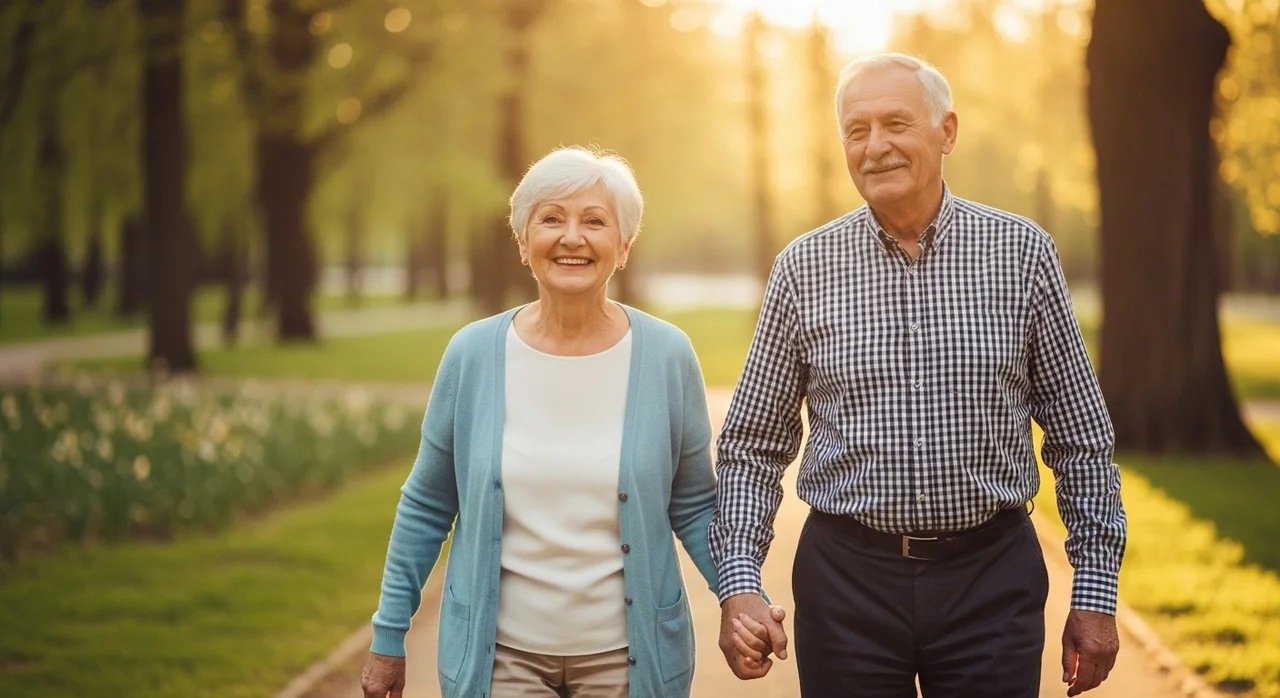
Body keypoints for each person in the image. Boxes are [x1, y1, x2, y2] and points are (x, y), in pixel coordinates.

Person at [710, 53, 1127, 697]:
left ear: (947, 132)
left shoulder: (1023, 254)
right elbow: (752, 447)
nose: (874, 147)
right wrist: (739, 582)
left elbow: (1081, 439)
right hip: (845, 583)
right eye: (856, 130)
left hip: (992, 579)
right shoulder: (803, 268)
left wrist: (1096, 593)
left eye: (896, 124)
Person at [359, 146, 734, 698]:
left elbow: (695, 502)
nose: (572, 238)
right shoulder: (472, 354)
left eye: (595, 221)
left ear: (624, 245)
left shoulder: (666, 356)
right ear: (522, 240)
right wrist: (389, 635)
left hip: (630, 662)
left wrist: (738, 598)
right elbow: (426, 505)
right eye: (551, 218)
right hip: (500, 662)